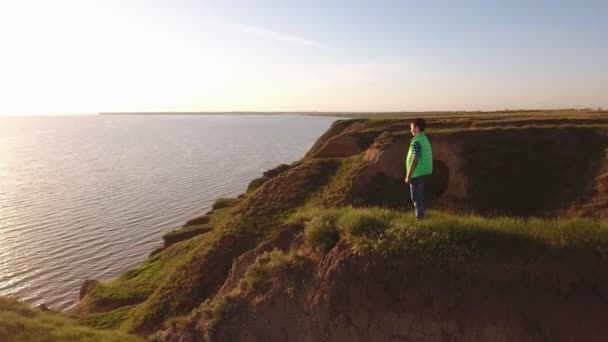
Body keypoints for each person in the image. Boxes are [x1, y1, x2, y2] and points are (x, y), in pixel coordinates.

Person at [405, 118, 433, 220]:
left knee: (416, 198)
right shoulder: (423, 139)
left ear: (417, 128)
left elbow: (415, 158)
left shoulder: (417, 141)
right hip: (421, 173)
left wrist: (408, 175)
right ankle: (421, 217)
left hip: (416, 174)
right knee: (419, 197)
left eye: (411, 128)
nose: (410, 130)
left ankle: (419, 219)